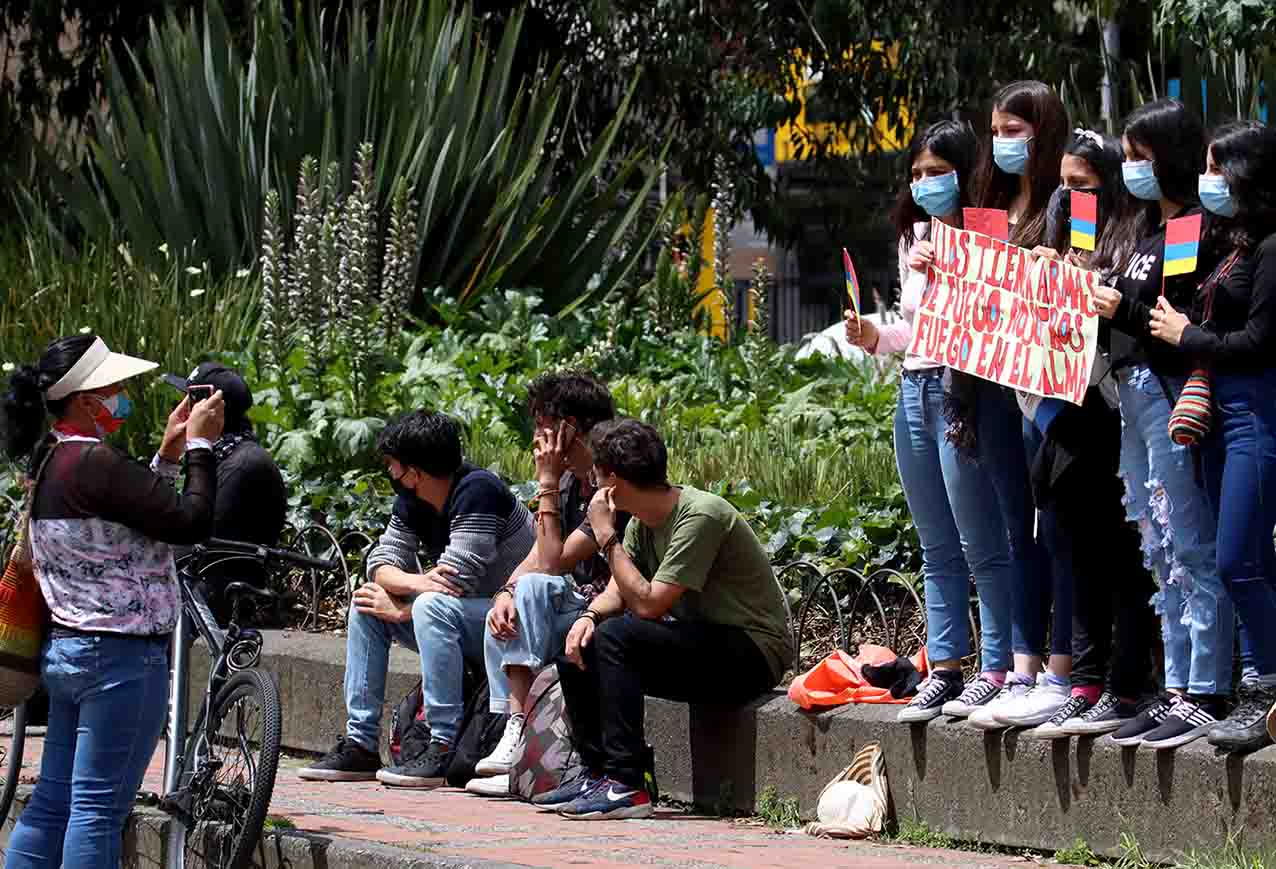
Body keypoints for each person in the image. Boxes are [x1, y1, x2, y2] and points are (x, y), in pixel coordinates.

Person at [1, 333, 224, 869]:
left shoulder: (51, 461)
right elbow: (188, 524)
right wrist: (200, 448)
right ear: (84, 399)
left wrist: (168, 455)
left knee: (54, 801)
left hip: (69, 650)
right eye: (114, 386)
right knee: (99, 811)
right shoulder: (97, 462)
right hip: (122, 659)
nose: (123, 395)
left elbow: (130, 520)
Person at [844, 119, 1023, 723]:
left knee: (983, 540)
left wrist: (955, 263)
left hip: (963, 390)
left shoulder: (986, 233)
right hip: (914, 387)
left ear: (964, 172)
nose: (924, 184)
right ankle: (946, 667)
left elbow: (994, 319)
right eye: (916, 174)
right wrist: (873, 335)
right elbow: (914, 329)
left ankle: (996, 668)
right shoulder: (911, 238)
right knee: (935, 542)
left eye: (937, 172)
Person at [542, 419, 792, 820]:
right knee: (580, 640)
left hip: (753, 652)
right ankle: (599, 772)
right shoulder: (644, 522)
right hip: (706, 644)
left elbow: (649, 604)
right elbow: (620, 591)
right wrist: (588, 616)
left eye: (596, 473)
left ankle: (627, 783)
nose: (590, 482)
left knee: (618, 637)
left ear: (614, 482)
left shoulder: (701, 516)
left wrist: (607, 537)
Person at [994, 129, 1151, 733]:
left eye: (1081, 186)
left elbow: (1128, 319)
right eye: (1062, 185)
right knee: (1068, 542)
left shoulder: (1134, 242)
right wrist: (1048, 274)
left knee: (1118, 554)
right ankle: (1083, 680)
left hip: (1112, 413)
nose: (1067, 195)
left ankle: (1121, 683)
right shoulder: (1069, 230)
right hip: (1063, 412)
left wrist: (1087, 287)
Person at [1088, 98, 1232, 745]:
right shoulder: (1150, 233)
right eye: (1125, 156)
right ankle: (1176, 683)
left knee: (1190, 541)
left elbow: (1172, 321)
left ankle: (1207, 685)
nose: (1129, 168)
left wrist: (1118, 305)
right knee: (1159, 545)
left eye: (1139, 156)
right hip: (1133, 399)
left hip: (1167, 394)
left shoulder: (1192, 230)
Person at [298, 410, 534, 787]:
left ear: (416, 471)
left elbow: (459, 582)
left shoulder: (479, 492)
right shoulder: (413, 500)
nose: (391, 475)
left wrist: (407, 605)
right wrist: (417, 582)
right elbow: (380, 562)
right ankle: (360, 742)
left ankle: (441, 744)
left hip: (510, 621)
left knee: (429, 607)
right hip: (460, 614)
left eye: (394, 466)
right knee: (367, 606)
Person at [1147, 121, 1276, 753]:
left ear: (1247, 174)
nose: (1209, 182)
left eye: (1218, 169)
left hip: (1256, 412)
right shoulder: (1234, 243)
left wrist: (1186, 338)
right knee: (1249, 563)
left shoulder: (1272, 248)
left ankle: (1266, 688)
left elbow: (1258, 343)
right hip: (1221, 415)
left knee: (1234, 560)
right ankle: (1260, 691)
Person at [473, 370, 629, 780]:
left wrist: (544, 481)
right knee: (506, 607)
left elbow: (553, 561)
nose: (536, 440)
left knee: (536, 588)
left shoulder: (607, 482)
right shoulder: (567, 482)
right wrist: (505, 590)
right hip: (572, 604)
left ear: (569, 428)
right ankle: (510, 728)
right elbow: (537, 556)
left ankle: (519, 729)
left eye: (543, 427)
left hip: (604, 609)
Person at [168, 362, 286, 623]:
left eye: (189, 401)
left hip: (224, 593)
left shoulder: (242, 465)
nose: (180, 408)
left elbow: (197, 538)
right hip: (204, 581)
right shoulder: (220, 453)